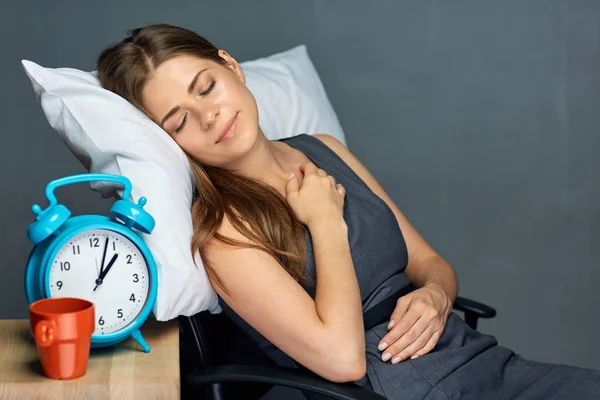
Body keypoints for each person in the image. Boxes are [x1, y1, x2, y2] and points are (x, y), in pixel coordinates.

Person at [96, 23, 600, 400]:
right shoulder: (224, 232)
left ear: (231, 66)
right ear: (171, 143)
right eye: (180, 121)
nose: (209, 116)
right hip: (403, 385)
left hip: (479, 356)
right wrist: (324, 222)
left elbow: (431, 263)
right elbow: (340, 359)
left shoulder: (321, 147)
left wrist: (435, 298)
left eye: (206, 87)